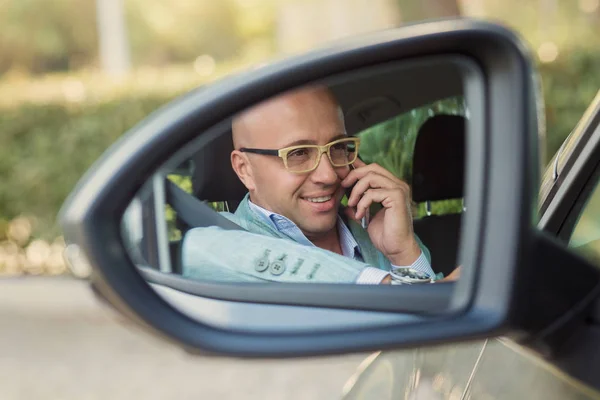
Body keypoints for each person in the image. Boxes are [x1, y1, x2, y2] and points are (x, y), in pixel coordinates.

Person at [181, 85, 459, 284]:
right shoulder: (220, 244)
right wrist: (397, 288)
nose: (328, 175)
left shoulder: (379, 233)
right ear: (245, 169)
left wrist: (403, 254)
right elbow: (202, 249)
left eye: (338, 147)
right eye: (299, 153)